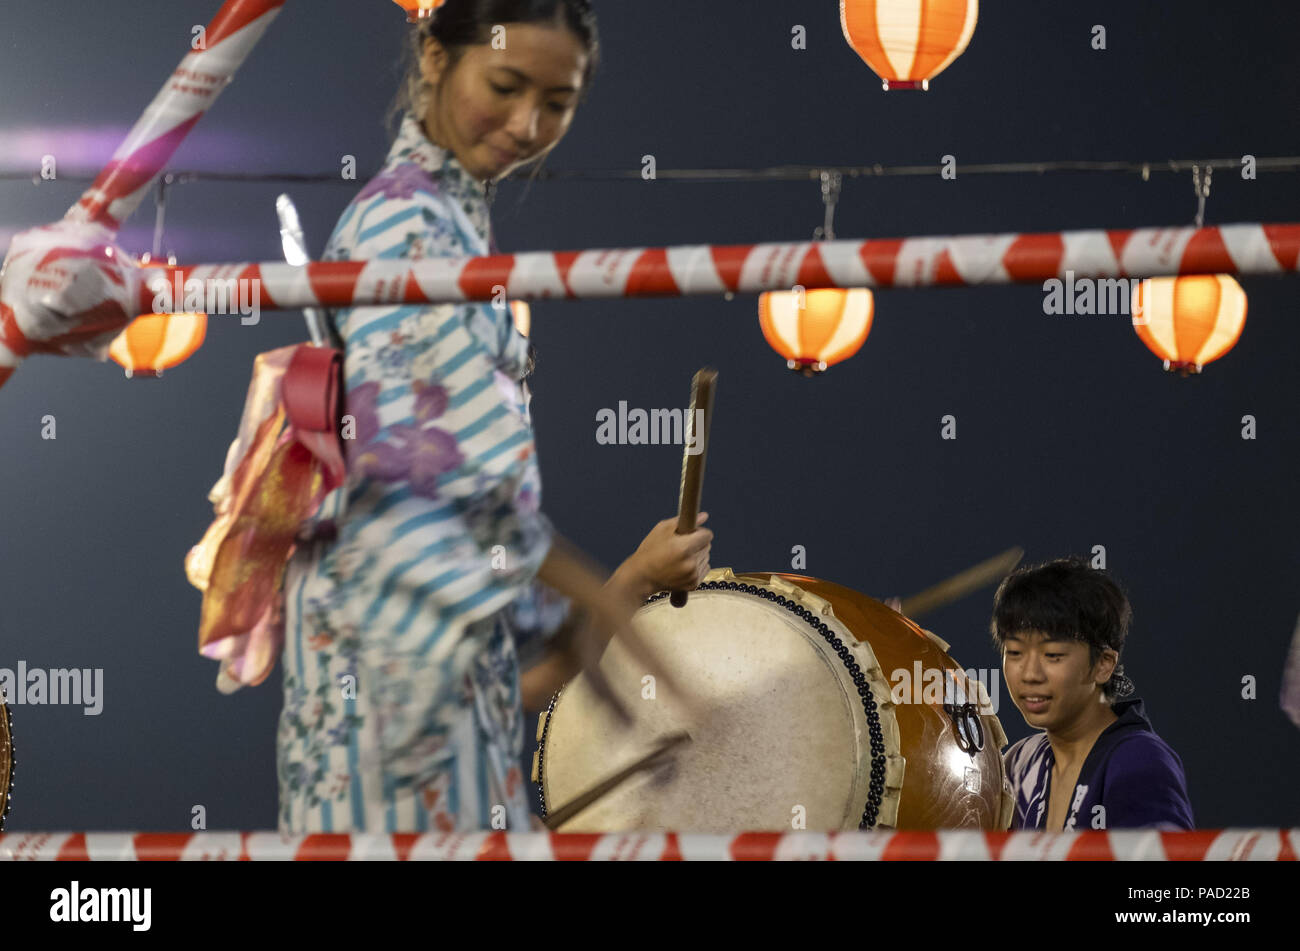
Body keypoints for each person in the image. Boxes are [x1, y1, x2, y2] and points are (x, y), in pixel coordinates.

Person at [276, 0, 712, 835]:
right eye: (506, 86)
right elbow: (424, 474)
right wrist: (611, 613)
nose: (527, 124)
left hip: (419, 659)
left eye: (558, 102)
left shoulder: (450, 219)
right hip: (392, 669)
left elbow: (476, 512)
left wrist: (603, 612)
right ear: (435, 58)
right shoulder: (408, 225)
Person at [992, 557, 1194, 831]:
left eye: (1053, 655)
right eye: (1015, 653)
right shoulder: (1019, 763)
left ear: (1103, 664)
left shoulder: (1139, 760)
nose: (1030, 675)